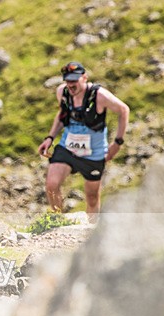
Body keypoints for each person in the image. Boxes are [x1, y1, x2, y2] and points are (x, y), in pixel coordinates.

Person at [37, 61, 130, 219]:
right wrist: (50, 137)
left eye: (74, 80)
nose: (71, 85)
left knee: (92, 197)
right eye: (68, 80)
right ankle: (57, 221)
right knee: (51, 184)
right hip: (68, 147)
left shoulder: (100, 95)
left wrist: (117, 143)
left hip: (93, 153)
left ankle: (90, 232)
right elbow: (62, 115)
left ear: (84, 78)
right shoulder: (62, 92)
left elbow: (123, 110)